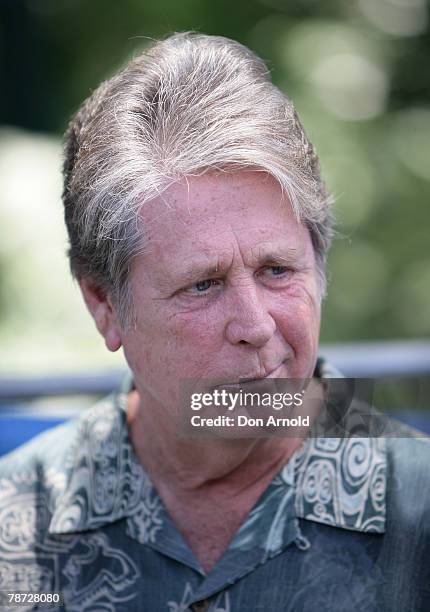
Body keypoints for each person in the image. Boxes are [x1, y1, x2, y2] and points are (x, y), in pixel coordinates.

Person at [0, 32, 429, 612]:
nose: (254, 325)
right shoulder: (19, 528)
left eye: (277, 270)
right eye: (202, 285)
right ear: (104, 304)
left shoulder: (417, 509)